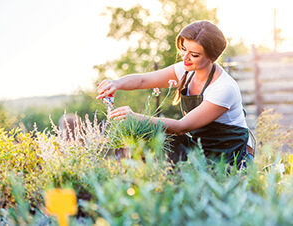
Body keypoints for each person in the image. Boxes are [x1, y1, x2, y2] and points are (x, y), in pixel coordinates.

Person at [97, 20, 254, 167]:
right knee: (151, 137)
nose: (185, 57)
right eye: (184, 49)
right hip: (199, 146)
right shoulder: (186, 70)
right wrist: (116, 83)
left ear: (212, 57)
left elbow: (181, 127)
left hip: (228, 155)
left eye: (194, 54)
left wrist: (136, 117)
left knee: (161, 133)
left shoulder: (224, 88)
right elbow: (143, 81)